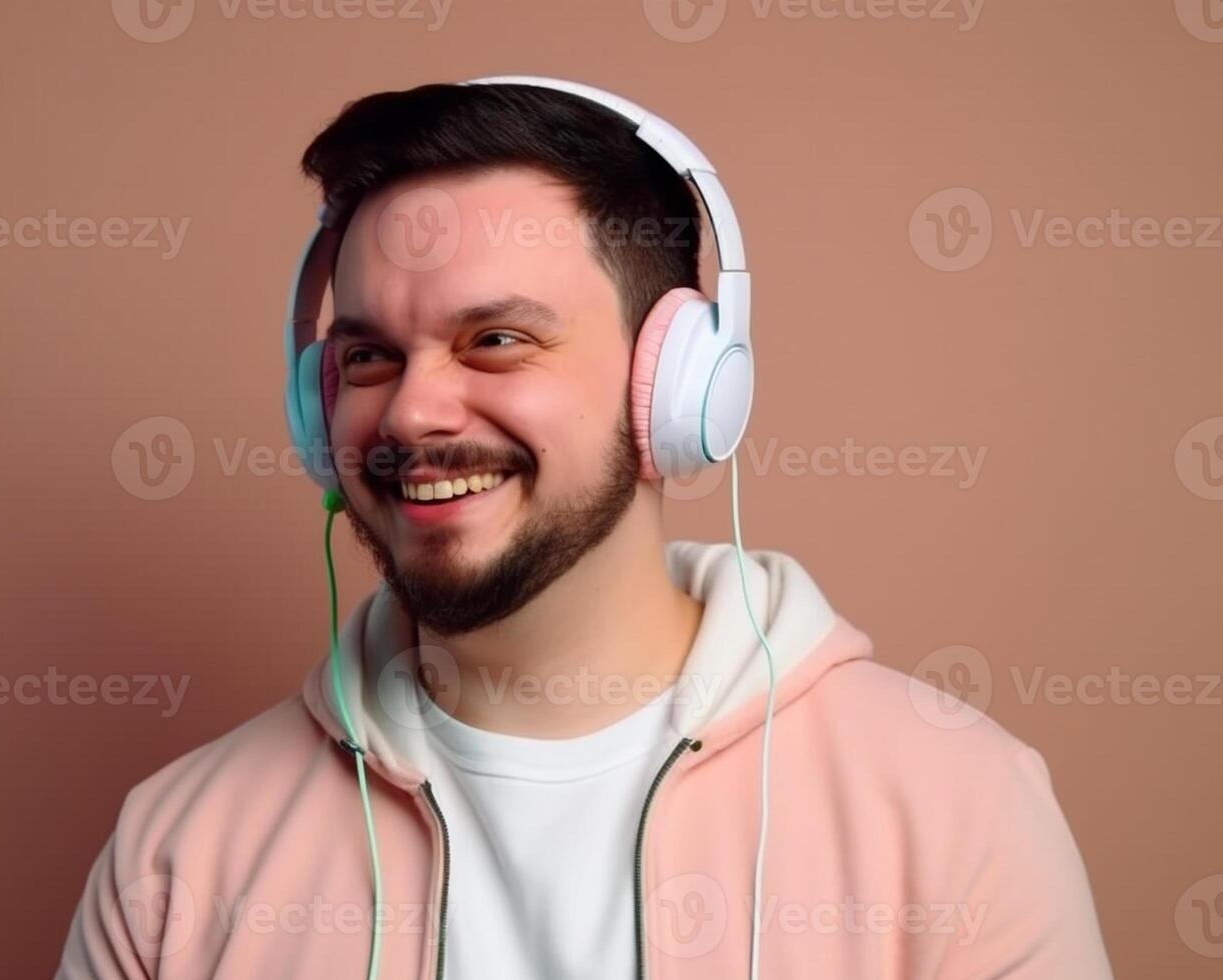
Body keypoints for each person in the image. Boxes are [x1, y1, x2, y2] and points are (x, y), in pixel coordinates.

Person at [55, 79, 1113, 979]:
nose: (414, 412)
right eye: (369, 355)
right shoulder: (178, 853)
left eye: (497, 338)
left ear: (679, 387)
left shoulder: (952, 809)